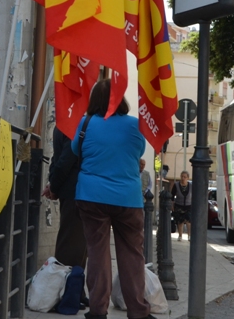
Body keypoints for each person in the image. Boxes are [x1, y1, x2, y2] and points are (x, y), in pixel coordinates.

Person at [72, 79, 153, 319]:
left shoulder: (85, 123)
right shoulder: (135, 126)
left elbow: (76, 150)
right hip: (128, 199)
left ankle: (97, 311)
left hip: (91, 196)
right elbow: (137, 153)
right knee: (132, 254)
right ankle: (139, 311)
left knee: (98, 252)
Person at [43, 127, 88, 269]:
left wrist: (53, 185)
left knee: (72, 245)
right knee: (72, 247)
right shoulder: (76, 125)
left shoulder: (64, 124)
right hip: (76, 192)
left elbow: (59, 160)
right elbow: (63, 161)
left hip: (71, 193)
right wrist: (54, 186)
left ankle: (70, 287)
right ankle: (69, 288)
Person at [172, 171, 193, 241]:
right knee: (180, 221)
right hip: (179, 205)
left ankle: (189, 236)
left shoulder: (191, 186)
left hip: (188, 206)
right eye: (182, 176)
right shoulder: (176, 185)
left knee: (188, 221)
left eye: (185, 177)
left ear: (188, 178)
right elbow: (172, 196)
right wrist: (172, 206)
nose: (183, 178)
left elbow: (194, 196)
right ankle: (180, 236)